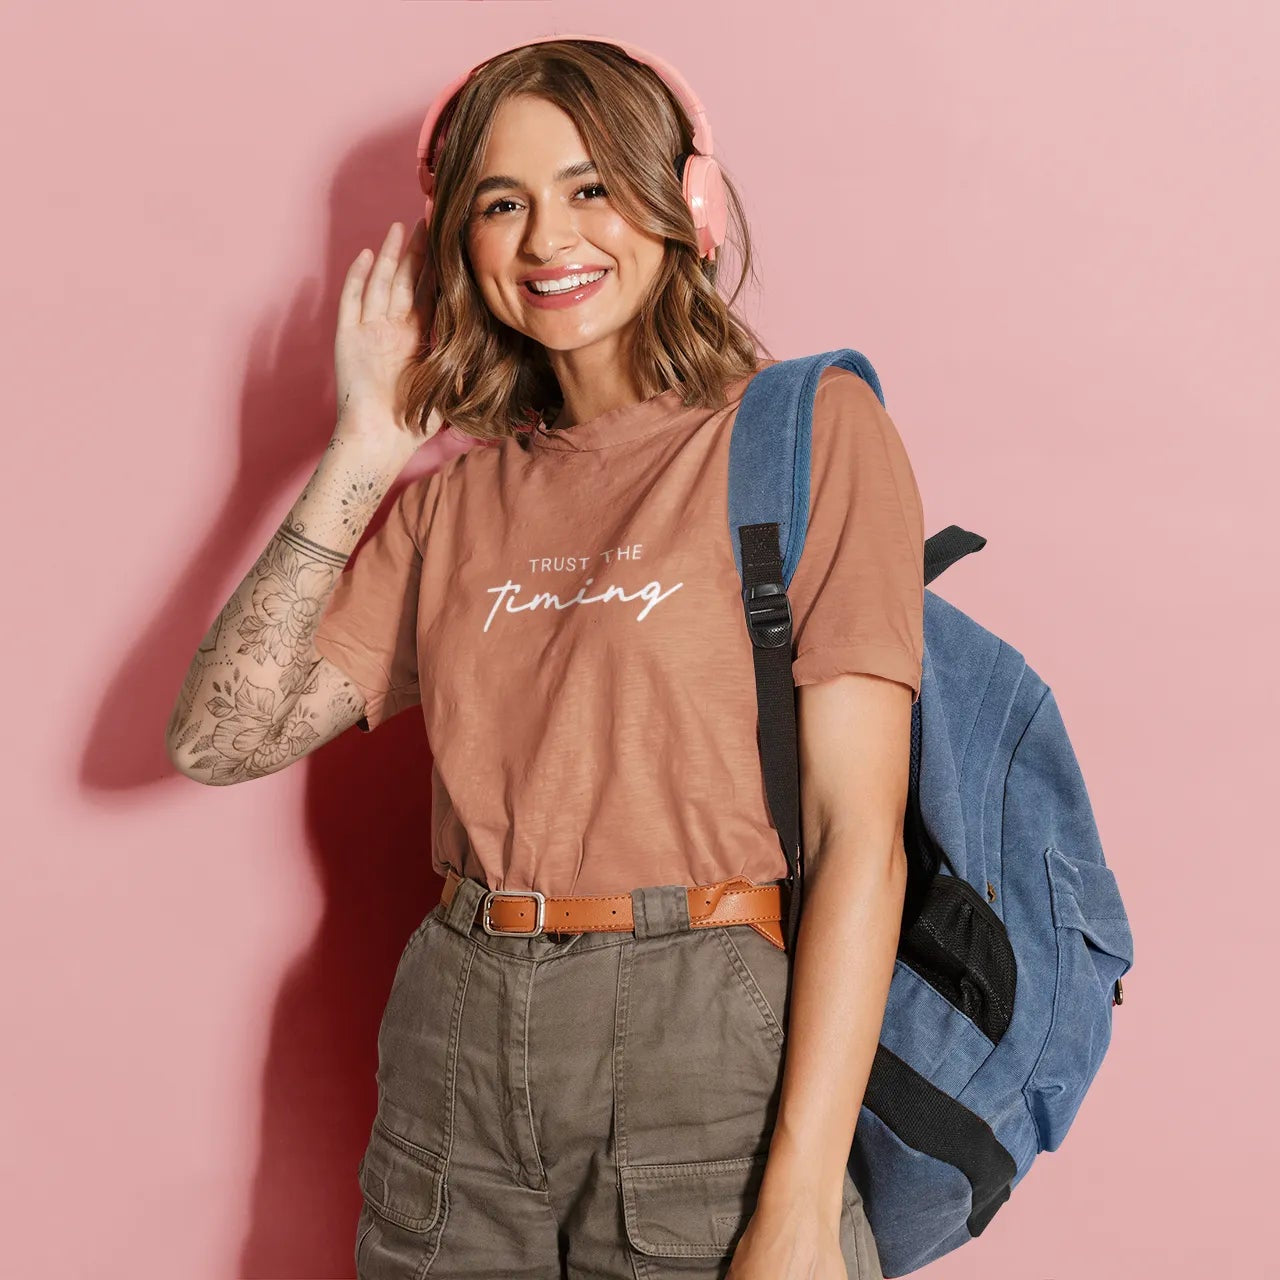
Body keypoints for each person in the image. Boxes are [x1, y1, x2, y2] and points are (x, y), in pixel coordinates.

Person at [165, 35, 924, 1280]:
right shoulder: (452, 505)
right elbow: (214, 738)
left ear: (682, 203)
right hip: (455, 1027)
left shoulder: (803, 435)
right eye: (499, 203)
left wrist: (793, 1210)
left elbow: (859, 839)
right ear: (456, 242)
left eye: (590, 188)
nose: (546, 240)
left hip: (703, 1032)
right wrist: (366, 442)